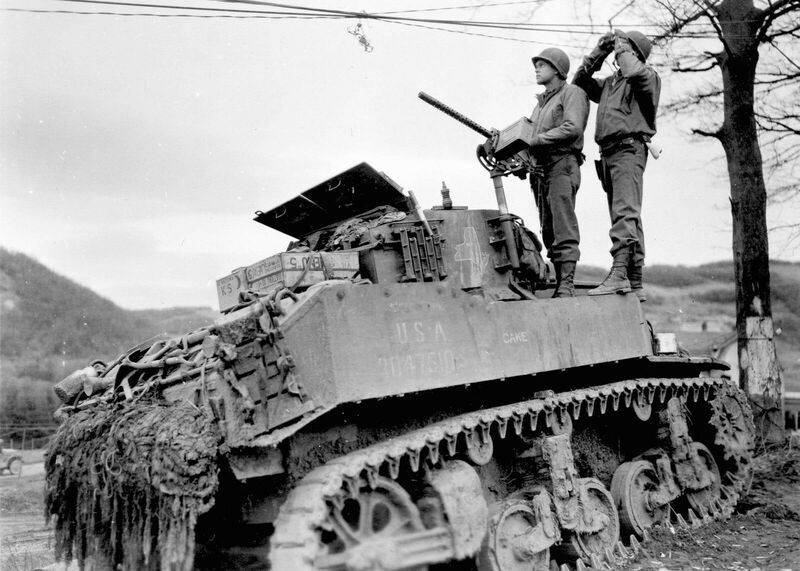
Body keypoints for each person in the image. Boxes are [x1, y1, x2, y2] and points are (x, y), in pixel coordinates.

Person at [573, 30, 661, 301]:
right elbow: (580, 82)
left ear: (635, 54)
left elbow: (635, 73)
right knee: (626, 214)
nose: (618, 55)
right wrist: (600, 50)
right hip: (610, 153)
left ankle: (620, 274)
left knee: (626, 212)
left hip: (629, 149)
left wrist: (622, 46)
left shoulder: (648, 77)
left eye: (624, 50)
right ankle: (634, 281)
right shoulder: (612, 83)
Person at [527, 47, 590, 297]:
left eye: (542, 64)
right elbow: (528, 138)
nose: (536, 68)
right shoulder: (540, 105)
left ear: (557, 69)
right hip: (541, 171)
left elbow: (573, 128)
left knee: (563, 225)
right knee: (548, 228)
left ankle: (566, 284)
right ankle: (559, 282)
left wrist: (537, 140)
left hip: (562, 165)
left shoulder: (572, 93)